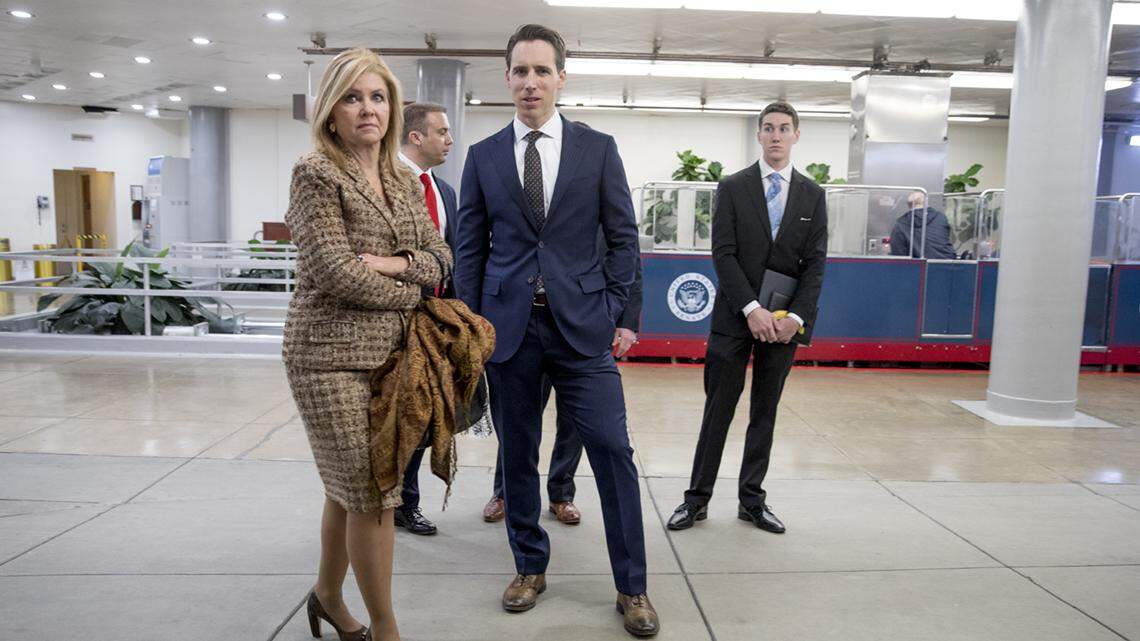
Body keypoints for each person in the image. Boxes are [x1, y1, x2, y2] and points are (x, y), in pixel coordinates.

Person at [454, 24, 659, 638]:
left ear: (561, 77)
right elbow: (470, 249)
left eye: (542, 71)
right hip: (510, 332)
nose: (530, 82)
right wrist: (475, 324)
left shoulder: (597, 149)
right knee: (518, 455)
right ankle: (528, 566)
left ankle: (632, 585)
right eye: (520, 71)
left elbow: (624, 240)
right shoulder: (484, 156)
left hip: (582, 331)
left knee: (614, 453)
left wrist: (619, 313)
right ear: (507, 78)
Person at [282, 48, 452, 641]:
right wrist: (413, 292)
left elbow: (440, 256)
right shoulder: (316, 173)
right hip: (327, 357)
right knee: (374, 493)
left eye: (377, 96)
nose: (367, 109)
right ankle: (386, 628)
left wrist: (396, 261)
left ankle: (328, 596)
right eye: (352, 97)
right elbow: (333, 271)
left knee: (346, 488)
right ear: (331, 110)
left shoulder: (405, 179)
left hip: (391, 358)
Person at [667, 101, 827, 535]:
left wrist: (795, 317)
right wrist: (751, 308)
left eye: (784, 128)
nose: (776, 136)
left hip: (783, 326)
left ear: (796, 136)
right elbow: (724, 253)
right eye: (768, 128)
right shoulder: (734, 187)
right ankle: (696, 500)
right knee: (718, 408)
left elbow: (815, 264)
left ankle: (752, 501)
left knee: (765, 411)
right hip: (735, 319)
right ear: (759, 135)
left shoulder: (813, 195)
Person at [482, 226, 643, 526]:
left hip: (584, 325)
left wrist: (627, 322)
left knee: (575, 423)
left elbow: (629, 257)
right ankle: (504, 492)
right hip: (525, 324)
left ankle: (561, 493)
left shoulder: (602, 197)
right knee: (519, 421)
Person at [393, 101, 457, 536]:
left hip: (433, 321)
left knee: (425, 415)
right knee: (392, 416)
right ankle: (385, 500)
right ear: (416, 137)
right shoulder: (385, 183)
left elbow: (454, 256)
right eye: (442, 132)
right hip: (392, 321)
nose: (450, 140)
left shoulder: (444, 191)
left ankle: (404, 502)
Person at [889, 191, 957, 259]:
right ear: (926, 202)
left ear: (909, 205)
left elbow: (899, 256)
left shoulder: (900, 224)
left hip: (920, 267)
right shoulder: (941, 218)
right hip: (948, 264)